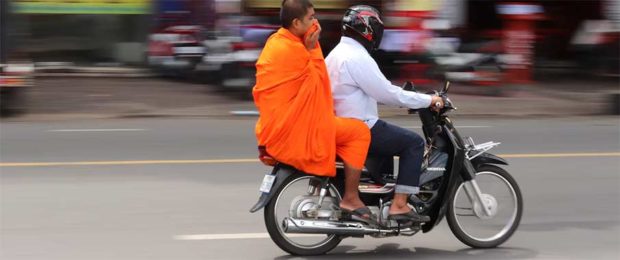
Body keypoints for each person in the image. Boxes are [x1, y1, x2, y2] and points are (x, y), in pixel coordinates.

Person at [252, 0, 374, 222]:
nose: (315, 22)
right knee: (359, 132)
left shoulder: (276, 41)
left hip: (276, 125)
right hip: (298, 127)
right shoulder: (293, 49)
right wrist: (312, 50)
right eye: (311, 18)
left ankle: (329, 185)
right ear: (296, 22)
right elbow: (318, 84)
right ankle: (351, 197)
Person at [325, 5, 444, 223]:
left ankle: (381, 201)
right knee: (413, 143)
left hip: (340, 123)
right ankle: (399, 205)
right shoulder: (356, 57)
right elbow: (387, 93)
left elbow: (374, 93)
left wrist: (409, 100)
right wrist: (428, 100)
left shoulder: (335, 54)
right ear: (369, 30)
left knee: (389, 141)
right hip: (359, 127)